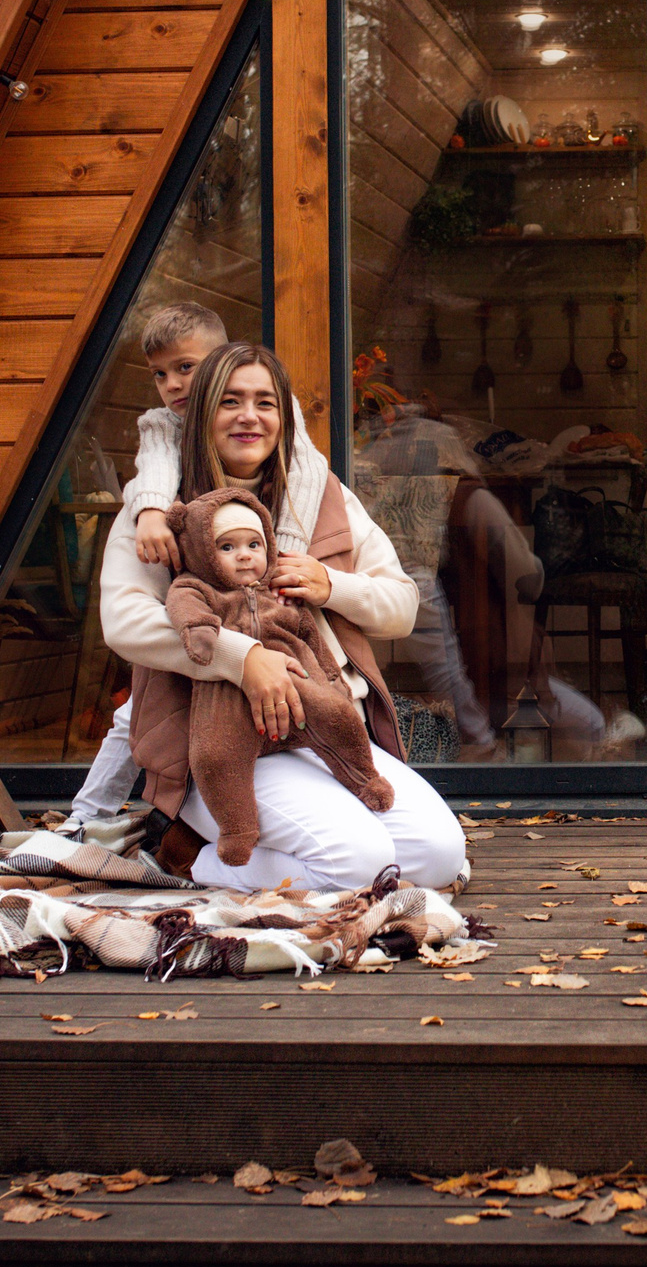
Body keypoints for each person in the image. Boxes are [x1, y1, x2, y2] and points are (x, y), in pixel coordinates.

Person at [97, 342, 468, 891]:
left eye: (265, 402)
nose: (249, 416)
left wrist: (331, 585)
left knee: (438, 856)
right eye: (230, 401)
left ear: (283, 416)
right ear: (202, 414)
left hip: (322, 725)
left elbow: (401, 607)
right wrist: (241, 657)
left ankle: (247, 858)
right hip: (216, 743)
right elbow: (124, 621)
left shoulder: (322, 498)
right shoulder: (161, 508)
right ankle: (192, 856)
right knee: (362, 862)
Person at [62, 303, 227, 831]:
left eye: (186, 367)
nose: (173, 384)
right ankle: (87, 817)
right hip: (191, 586)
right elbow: (156, 463)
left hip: (251, 576)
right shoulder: (164, 425)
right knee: (140, 707)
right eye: (160, 373)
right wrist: (152, 509)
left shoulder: (263, 411)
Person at [163, 486, 390, 868]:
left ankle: (364, 777)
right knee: (216, 755)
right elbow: (183, 608)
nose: (244, 556)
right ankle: (237, 831)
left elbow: (309, 635)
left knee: (338, 716)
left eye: (254, 544)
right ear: (202, 553)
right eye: (227, 547)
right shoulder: (195, 586)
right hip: (227, 697)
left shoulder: (278, 591)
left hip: (297, 682)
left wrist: (331, 678)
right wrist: (202, 633)